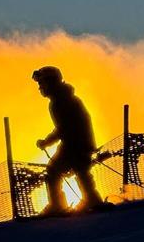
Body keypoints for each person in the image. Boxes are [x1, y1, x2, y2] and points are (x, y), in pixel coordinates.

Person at [33, 66, 103, 216]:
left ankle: (57, 205)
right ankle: (92, 200)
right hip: (79, 142)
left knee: (53, 171)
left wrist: (46, 142)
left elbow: (64, 127)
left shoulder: (60, 101)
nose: (40, 88)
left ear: (50, 82)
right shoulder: (64, 98)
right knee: (81, 171)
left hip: (74, 144)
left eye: (41, 84)